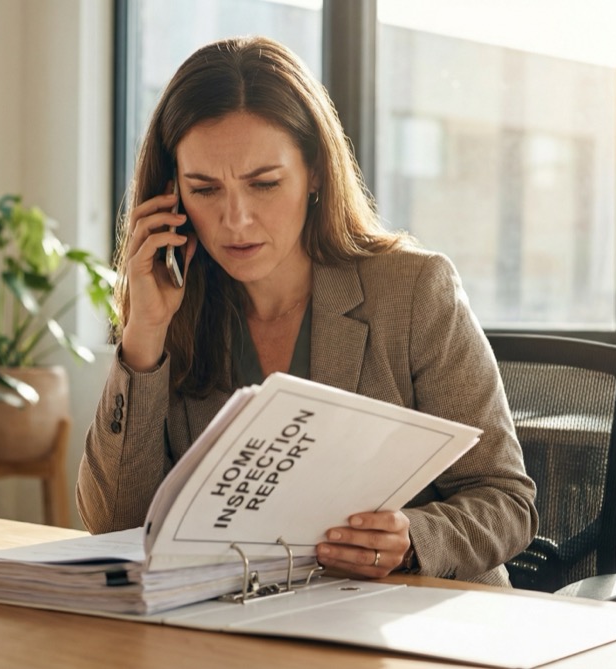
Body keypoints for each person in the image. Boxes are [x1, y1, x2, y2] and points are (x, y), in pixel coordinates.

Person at [78, 35, 537, 585]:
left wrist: (409, 539)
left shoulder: (414, 292)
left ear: (315, 172)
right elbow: (115, 525)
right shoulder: (179, 313)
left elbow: (508, 501)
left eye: (264, 184)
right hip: (248, 621)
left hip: (413, 622)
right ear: (171, 196)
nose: (236, 220)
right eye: (204, 190)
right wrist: (144, 333)